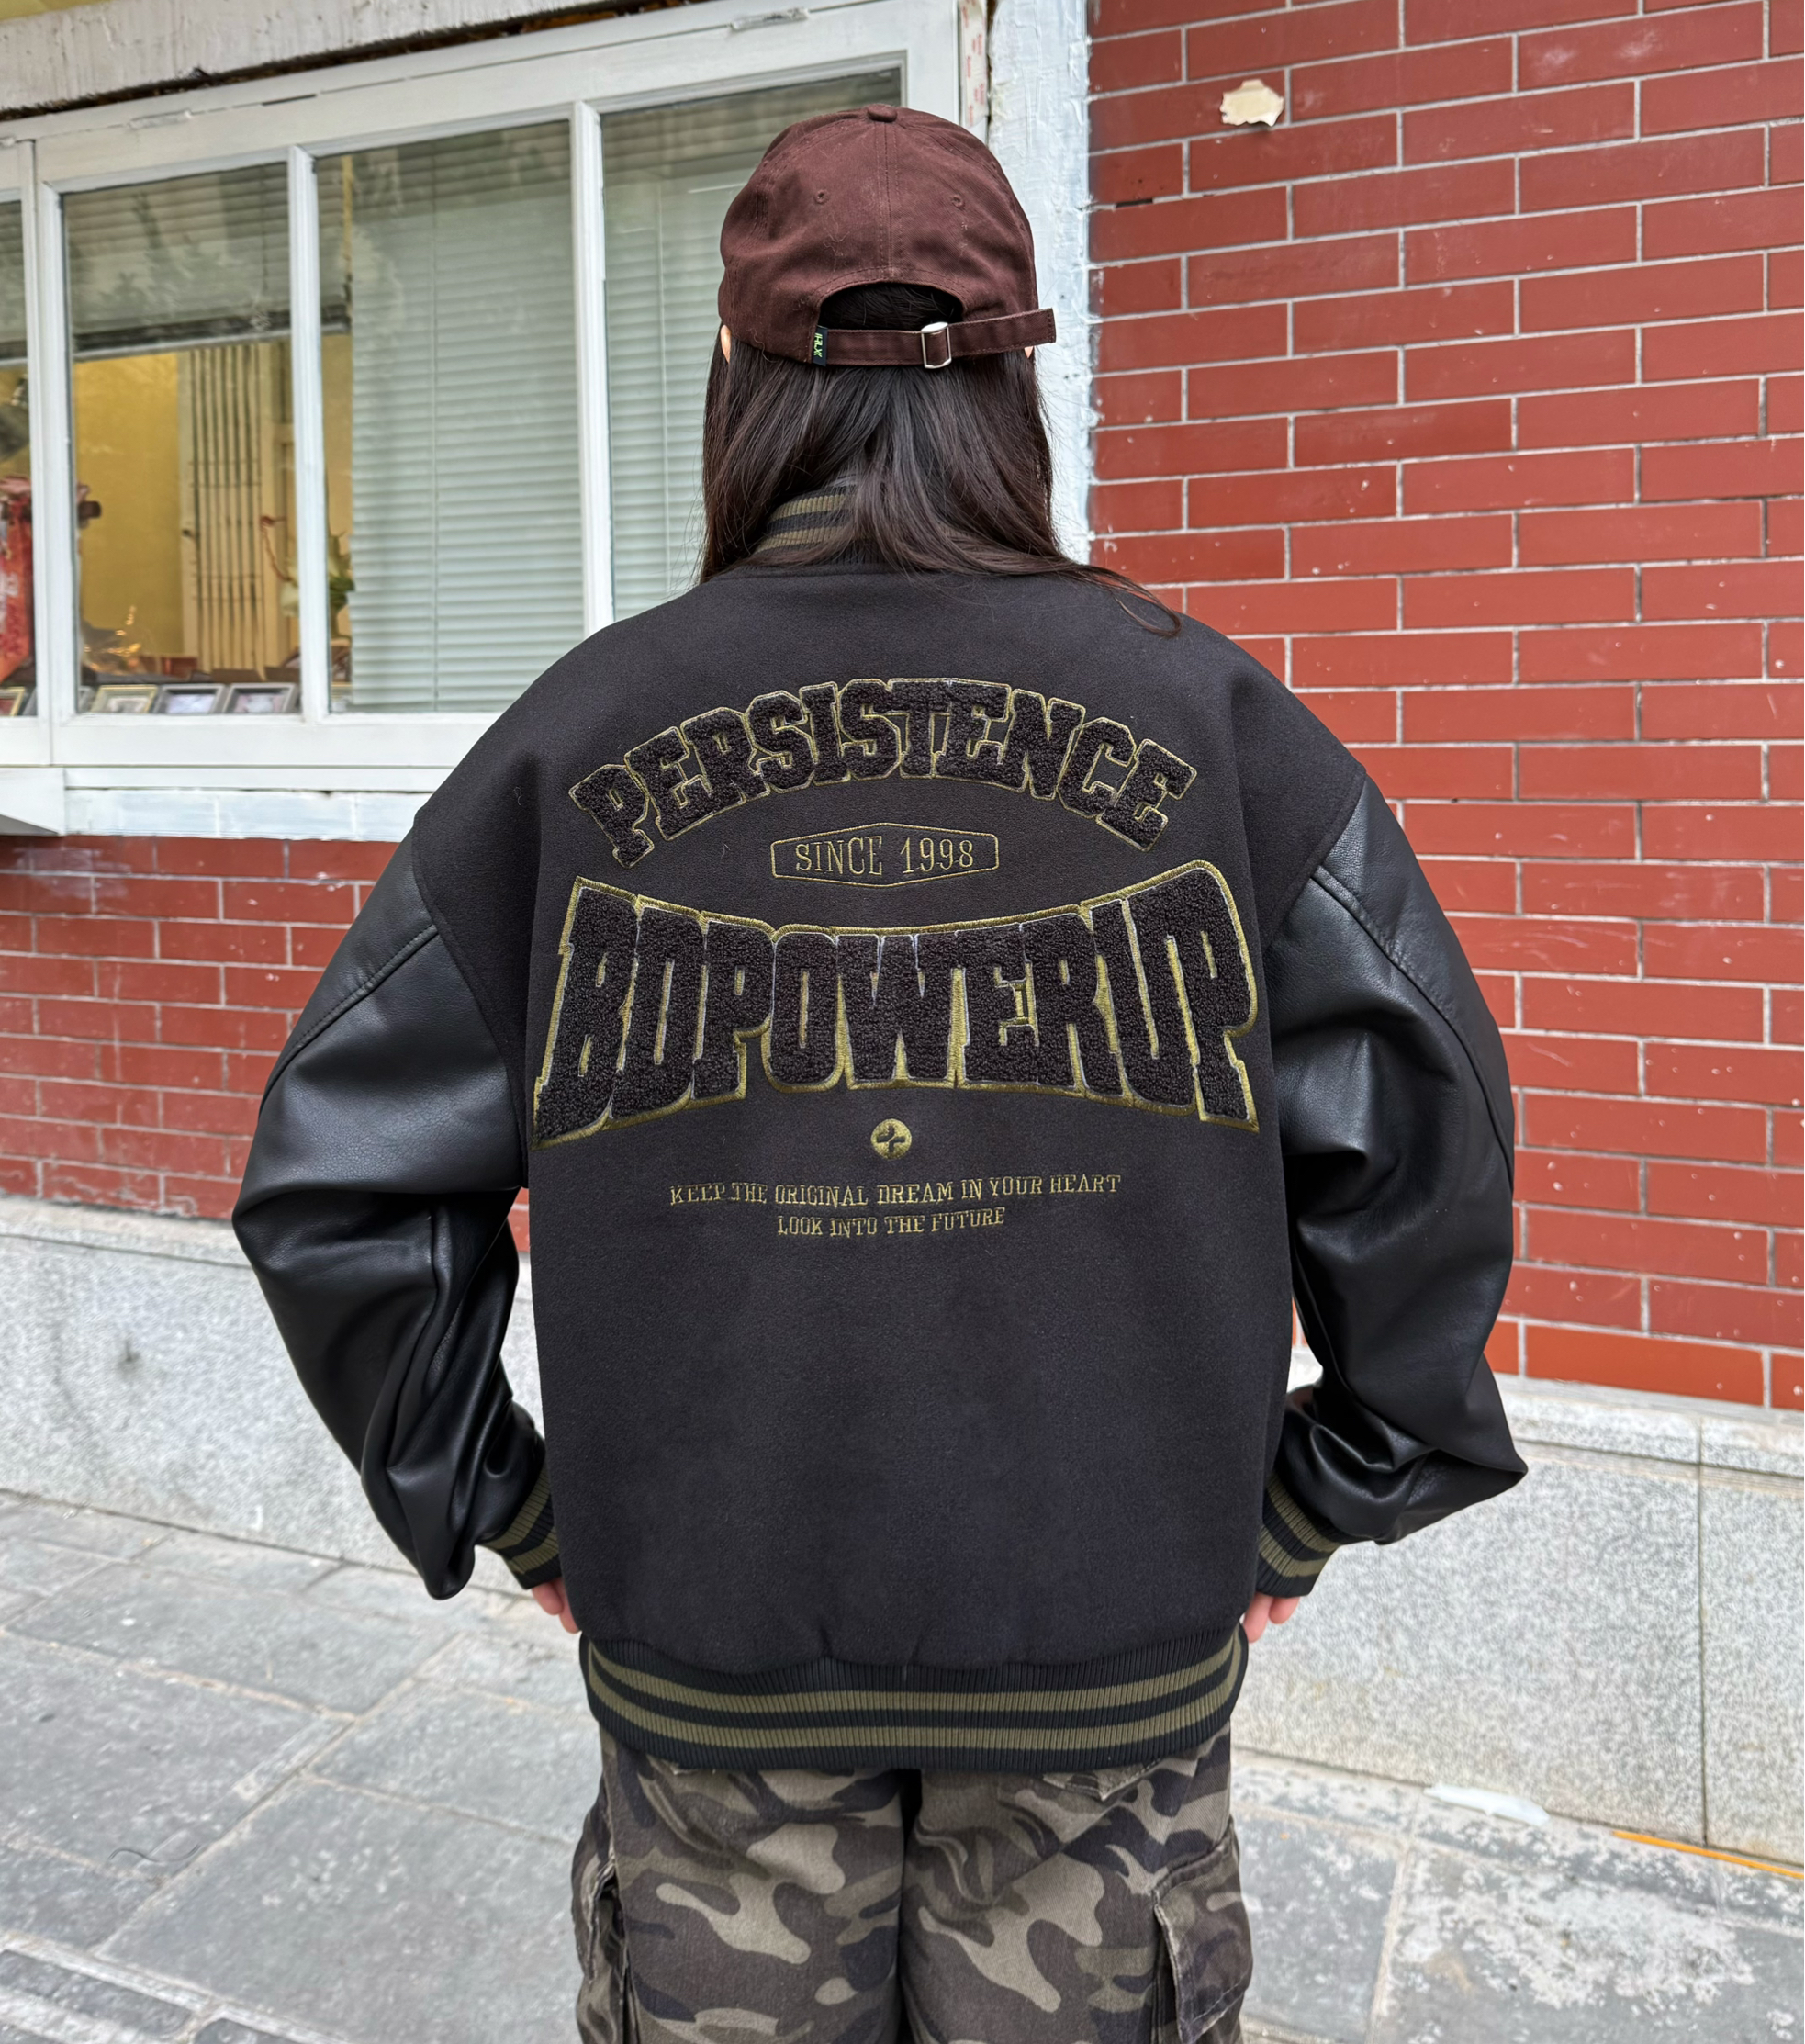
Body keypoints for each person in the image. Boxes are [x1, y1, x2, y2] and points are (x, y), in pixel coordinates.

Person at [234, 103, 1524, 2044]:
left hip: (714, 1669)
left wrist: (514, 1506)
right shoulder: (1213, 722)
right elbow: (1427, 1141)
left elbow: (338, 1187)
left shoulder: (578, 737)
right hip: (1108, 1664)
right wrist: (1313, 1495)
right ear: (1012, 384)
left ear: (739, 384)